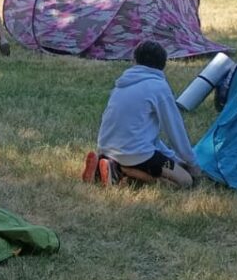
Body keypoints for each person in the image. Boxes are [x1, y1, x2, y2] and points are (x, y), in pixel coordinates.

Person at [84, 41, 201, 188]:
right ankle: (122, 171)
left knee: (175, 166)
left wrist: (173, 158)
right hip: (136, 155)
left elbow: (147, 136)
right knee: (185, 181)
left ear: (135, 61)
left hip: (106, 147)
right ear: (163, 65)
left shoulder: (122, 84)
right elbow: (175, 129)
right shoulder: (159, 87)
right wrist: (191, 163)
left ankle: (109, 165)